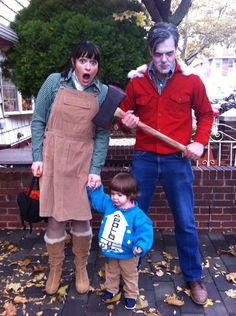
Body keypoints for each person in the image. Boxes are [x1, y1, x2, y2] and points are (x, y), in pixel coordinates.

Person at [119, 22, 214, 305]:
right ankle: (129, 272)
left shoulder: (191, 81)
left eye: (170, 53)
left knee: (185, 221)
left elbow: (206, 114)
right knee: (133, 217)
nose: (164, 60)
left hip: (177, 160)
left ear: (176, 51)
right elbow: (123, 120)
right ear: (150, 51)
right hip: (144, 159)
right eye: (159, 53)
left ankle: (193, 276)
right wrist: (126, 122)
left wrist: (200, 142)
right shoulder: (136, 82)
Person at [31, 40, 110, 295]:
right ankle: (55, 269)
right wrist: (37, 157)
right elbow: (38, 120)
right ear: (74, 62)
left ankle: (80, 267)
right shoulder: (54, 82)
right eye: (83, 61)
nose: (88, 67)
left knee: (81, 218)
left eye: (93, 62)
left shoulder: (103, 92)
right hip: (53, 157)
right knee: (54, 218)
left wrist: (96, 169)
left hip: (83, 160)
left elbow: (102, 135)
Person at [87, 172, 153, 310]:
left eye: (119, 195)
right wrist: (95, 188)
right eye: (113, 194)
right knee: (111, 271)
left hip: (129, 253)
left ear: (130, 196)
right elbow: (100, 200)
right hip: (112, 250)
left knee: (129, 275)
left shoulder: (137, 215)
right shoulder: (110, 204)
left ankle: (131, 295)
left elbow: (145, 231)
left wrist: (141, 245)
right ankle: (111, 290)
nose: (114, 198)